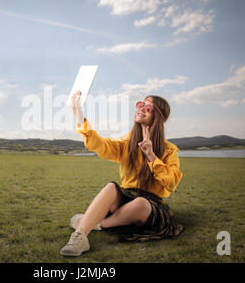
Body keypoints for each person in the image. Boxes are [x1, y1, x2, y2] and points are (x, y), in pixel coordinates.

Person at [60, 90, 184, 257]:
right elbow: (101, 145)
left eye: (148, 107)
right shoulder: (127, 142)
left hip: (149, 206)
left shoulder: (169, 150)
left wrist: (151, 156)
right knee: (111, 187)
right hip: (125, 199)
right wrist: (80, 116)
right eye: (141, 104)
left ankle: (97, 223)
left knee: (140, 203)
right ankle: (80, 236)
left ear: (158, 117)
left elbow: (171, 183)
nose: (141, 108)